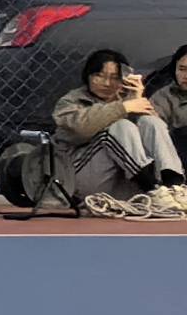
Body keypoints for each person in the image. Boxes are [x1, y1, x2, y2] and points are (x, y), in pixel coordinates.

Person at [49, 48, 187, 219]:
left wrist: (136, 97)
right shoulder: (71, 102)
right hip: (78, 179)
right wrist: (123, 108)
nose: (107, 83)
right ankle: (152, 188)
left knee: (150, 122)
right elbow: (81, 129)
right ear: (88, 76)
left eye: (114, 77)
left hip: (124, 183)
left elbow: (153, 132)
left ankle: (174, 187)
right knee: (121, 126)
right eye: (99, 76)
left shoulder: (128, 100)